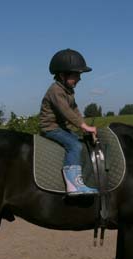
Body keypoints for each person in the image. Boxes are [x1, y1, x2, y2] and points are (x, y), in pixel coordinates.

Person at [39, 48, 98, 195]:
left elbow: (75, 110)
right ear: (62, 75)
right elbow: (66, 111)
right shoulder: (55, 91)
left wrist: (85, 127)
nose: (79, 78)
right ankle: (72, 185)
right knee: (74, 146)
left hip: (62, 128)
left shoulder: (68, 90)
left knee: (82, 142)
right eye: (76, 75)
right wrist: (83, 125)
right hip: (51, 128)